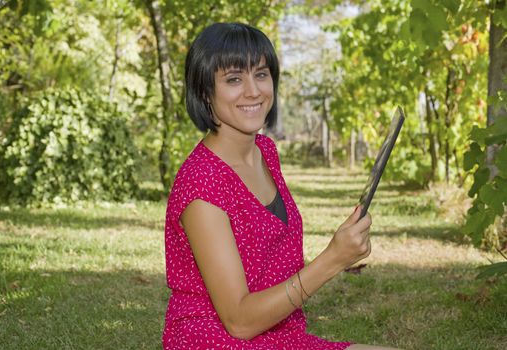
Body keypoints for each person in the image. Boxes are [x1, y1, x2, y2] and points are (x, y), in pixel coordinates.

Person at [162, 22, 398, 350]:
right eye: (233, 79)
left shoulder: (265, 152)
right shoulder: (201, 185)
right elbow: (239, 322)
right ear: (204, 92)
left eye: (261, 74)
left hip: (279, 335)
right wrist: (332, 259)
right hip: (216, 340)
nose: (253, 91)